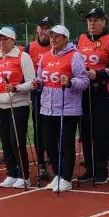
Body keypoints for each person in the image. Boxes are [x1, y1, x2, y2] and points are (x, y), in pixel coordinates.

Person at [36, 24, 89, 191]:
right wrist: (37, 83)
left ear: (65, 39)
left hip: (67, 108)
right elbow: (40, 80)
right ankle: (57, 174)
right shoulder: (45, 57)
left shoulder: (75, 56)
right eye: (51, 35)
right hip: (47, 107)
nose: (53, 38)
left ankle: (66, 177)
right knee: (48, 143)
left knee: (66, 143)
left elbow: (84, 80)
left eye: (57, 36)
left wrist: (71, 82)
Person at [0, 26, 36, 188]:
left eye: (4, 39)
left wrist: (16, 88)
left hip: (17, 104)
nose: (1, 42)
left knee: (17, 141)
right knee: (5, 142)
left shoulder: (23, 56)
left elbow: (32, 83)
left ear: (12, 40)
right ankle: (11, 173)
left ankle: (23, 175)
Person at [76, 7, 109, 184]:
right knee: (85, 130)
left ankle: (102, 168)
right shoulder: (80, 39)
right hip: (82, 91)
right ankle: (90, 167)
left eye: (96, 20)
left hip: (101, 90)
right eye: (90, 20)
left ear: (103, 22)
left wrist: (98, 74)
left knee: (101, 131)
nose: (92, 23)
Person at [26, 17, 55, 183]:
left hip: (55, 94)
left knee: (53, 128)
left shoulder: (57, 46)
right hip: (37, 94)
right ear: (37, 29)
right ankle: (42, 164)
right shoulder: (30, 47)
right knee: (39, 129)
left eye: (48, 28)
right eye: (42, 27)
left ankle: (56, 158)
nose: (45, 31)